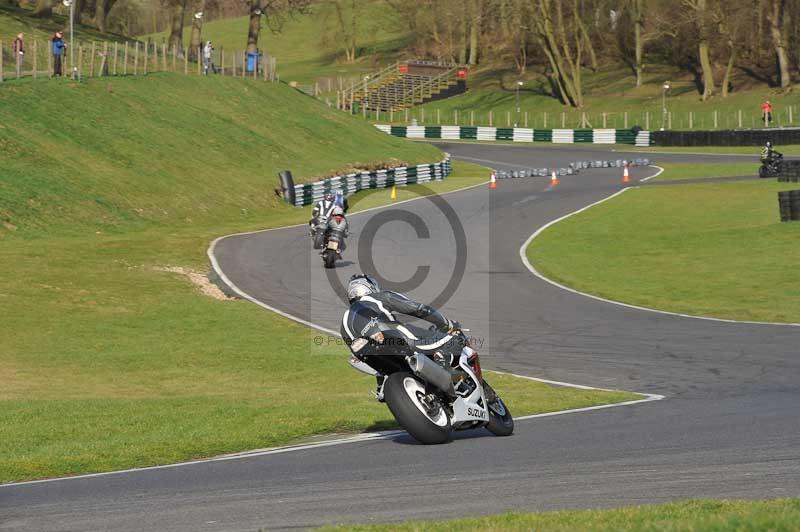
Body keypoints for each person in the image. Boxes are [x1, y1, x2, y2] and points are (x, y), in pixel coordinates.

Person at [341, 274, 458, 399]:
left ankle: (383, 387)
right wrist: (446, 323)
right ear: (369, 286)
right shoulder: (376, 298)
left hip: (383, 362)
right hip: (401, 340)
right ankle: (441, 361)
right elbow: (417, 309)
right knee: (454, 339)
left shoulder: (344, 325)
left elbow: (363, 354)